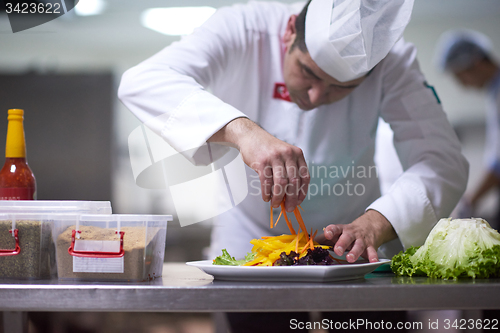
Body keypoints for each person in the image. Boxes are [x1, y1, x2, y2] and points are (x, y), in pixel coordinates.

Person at [119, 1, 468, 330]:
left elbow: (442, 160)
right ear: (289, 32)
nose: (316, 97)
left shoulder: (393, 63)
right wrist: (244, 132)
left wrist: (375, 224)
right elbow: (143, 81)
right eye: (308, 72)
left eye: (340, 88)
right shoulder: (244, 28)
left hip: (353, 243)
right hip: (251, 234)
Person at [435, 30, 500, 227]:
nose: (462, 85)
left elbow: (498, 163)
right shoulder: (493, 93)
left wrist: (469, 202)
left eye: (460, 76)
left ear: (477, 62)